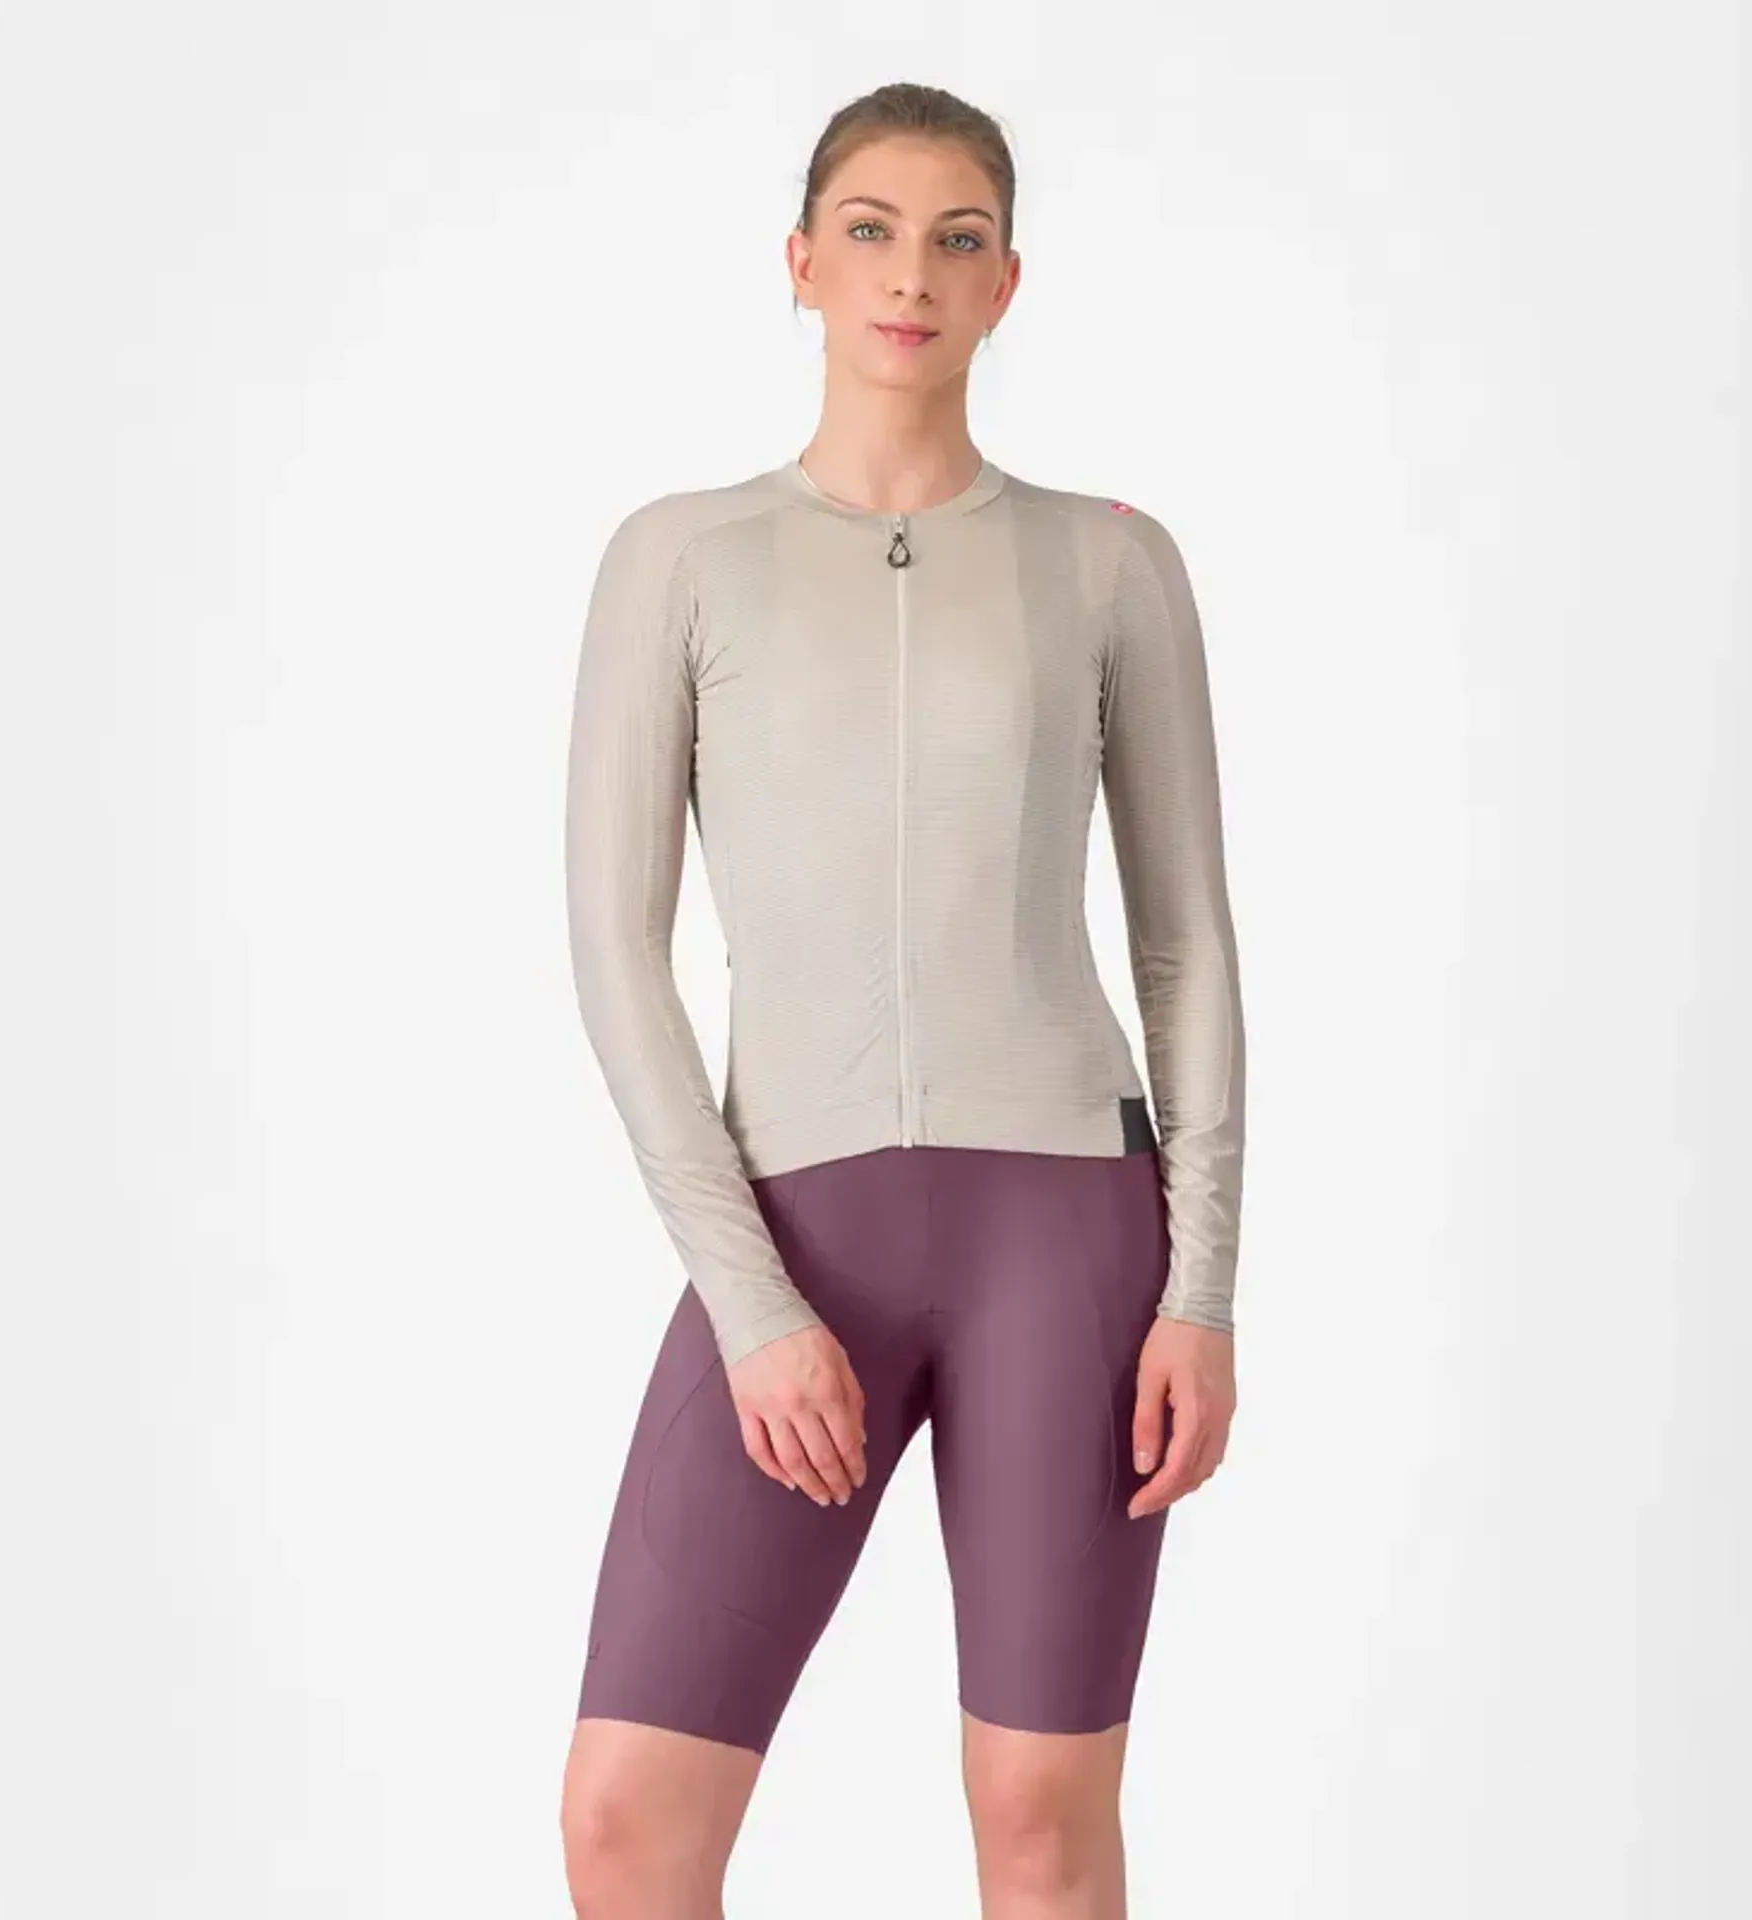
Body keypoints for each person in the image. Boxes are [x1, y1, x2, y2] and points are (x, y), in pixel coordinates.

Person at [558, 81, 1245, 1920]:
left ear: (1008, 283)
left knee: (1041, 1824)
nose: (910, 275)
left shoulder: (1111, 560)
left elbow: (1185, 945)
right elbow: (617, 950)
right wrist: (750, 1303)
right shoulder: (681, 557)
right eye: (870, 231)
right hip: (796, 1244)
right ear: (800, 262)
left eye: (958, 240)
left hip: (1068, 1247)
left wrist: (1198, 1292)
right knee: (626, 1823)